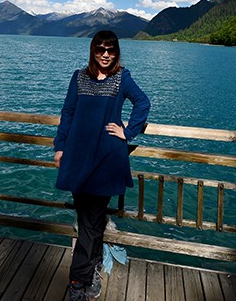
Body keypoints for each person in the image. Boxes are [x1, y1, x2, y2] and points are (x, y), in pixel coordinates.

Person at [53, 30, 151, 300]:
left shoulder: (122, 78)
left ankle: (77, 280)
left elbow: (143, 103)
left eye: (110, 50)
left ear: (116, 52)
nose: (105, 54)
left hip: (106, 159)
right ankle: (93, 265)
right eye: (100, 49)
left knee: (91, 221)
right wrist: (60, 147)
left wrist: (127, 132)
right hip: (78, 157)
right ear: (93, 50)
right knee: (89, 220)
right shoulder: (79, 77)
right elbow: (68, 112)